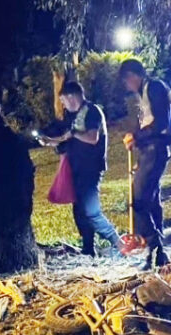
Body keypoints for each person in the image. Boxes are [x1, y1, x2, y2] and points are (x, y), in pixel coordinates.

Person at [40, 82, 123, 257]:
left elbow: (92, 138)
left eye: (63, 100)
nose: (63, 105)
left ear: (72, 96)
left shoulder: (92, 111)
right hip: (76, 168)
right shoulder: (75, 116)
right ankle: (88, 250)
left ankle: (120, 244)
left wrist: (72, 134)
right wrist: (51, 142)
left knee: (91, 211)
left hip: (90, 168)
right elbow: (69, 140)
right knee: (79, 212)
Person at [119, 59, 171, 270]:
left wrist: (136, 136)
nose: (127, 87)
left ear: (133, 76)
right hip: (149, 151)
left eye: (126, 82)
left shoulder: (154, 87)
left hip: (155, 150)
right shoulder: (146, 91)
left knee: (138, 201)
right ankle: (158, 254)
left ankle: (154, 243)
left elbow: (160, 122)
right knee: (151, 203)